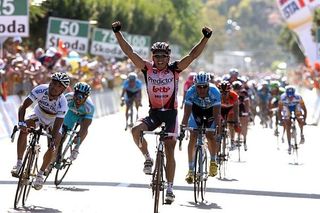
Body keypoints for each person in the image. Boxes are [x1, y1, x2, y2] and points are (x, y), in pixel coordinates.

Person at [112, 20, 212, 203]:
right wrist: (117, 33)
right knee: (135, 131)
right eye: (156, 56)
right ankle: (148, 158)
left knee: (169, 148)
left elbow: (193, 55)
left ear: (168, 57)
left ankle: (170, 188)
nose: (159, 59)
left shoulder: (175, 70)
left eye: (163, 56)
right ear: (152, 57)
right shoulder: (146, 69)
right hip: (154, 113)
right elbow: (129, 52)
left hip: (171, 115)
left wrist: (205, 38)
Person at [11, 72, 70, 190]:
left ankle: (40, 175)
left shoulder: (63, 103)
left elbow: (58, 124)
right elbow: (23, 106)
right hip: (39, 113)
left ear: (63, 89)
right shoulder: (40, 89)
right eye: (53, 83)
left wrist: (53, 139)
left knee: (55, 143)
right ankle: (18, 164)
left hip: (53, 121)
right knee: (24, 130)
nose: (54, 87)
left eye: (58, 86)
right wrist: (21, 123)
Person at [180, 72, 221, 184]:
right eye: (199, 87)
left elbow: (217, 115)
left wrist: (218, 130)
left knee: (210, 135)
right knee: (193, 136)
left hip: (210, 111)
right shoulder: (190, 92)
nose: (202, 89)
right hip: (196, 110)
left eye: (205, 86)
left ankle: (213, 161)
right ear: (195, 86)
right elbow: (187, 114)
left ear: (209, 85)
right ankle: (191, 170)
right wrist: (183, 128)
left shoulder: (215, 92)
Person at [62, 82, 95, 161]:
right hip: (71, 113)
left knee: (84, 130)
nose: (78, 99)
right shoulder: (67, 98)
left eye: (82, 96)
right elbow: (59, 114)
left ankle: (76, 148)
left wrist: (79, 136)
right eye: (77, 94)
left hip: (83, 116)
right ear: (74, 93)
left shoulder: (89, 107)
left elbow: (85, 127)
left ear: (86, 97)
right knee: (63, 132)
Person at [278, 86, 307, 154]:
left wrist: (304, 120)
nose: (290, 98)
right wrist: (281, 120)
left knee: (299, 117)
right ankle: (289, 145)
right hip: (286, 107)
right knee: (287, 124)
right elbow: (279, 110)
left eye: (291, 96)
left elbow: (304, 109)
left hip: (296, 106)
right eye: (289, 96)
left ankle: (301, 134)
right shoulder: (282, 98)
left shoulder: (298, 97)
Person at [218, 80, 240, 150]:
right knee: (218, 123)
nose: (223, 94)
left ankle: (232, 141)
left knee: (231, 124)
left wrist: (236, 121)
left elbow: (236, 109)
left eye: (226, 92)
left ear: (229, 91)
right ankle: (219, 138)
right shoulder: (216, 95)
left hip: (230, 110)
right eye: (221, 92)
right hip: (220, 109)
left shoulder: (234, 96)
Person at [232, 80, 249, 151]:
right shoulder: (231, 93)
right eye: (235, 89)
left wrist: (247, 113)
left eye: (238, 89)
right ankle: (232, 140)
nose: (237, 90)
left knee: (244, 123)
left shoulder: (244, 93)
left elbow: (247, 103)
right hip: (233, 110)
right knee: (231, 123)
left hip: (242, 109)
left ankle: (244, 140)